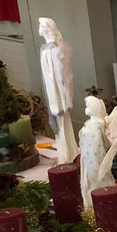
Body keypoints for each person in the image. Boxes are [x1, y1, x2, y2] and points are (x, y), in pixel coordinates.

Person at [39, 18, 77, 165]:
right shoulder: (49, 49)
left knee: (62, 124)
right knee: (61, 125)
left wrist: (62, 95)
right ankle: (66, 152)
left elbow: (59, 74)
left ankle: (67, 154)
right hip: (55, 93)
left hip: (57, 94)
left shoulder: (52, 50)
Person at [78, 96, 117, 206]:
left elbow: (102, 142)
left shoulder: (99, 125)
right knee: (88, 178)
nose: (86, 109)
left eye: (88, 106)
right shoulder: (89, 123)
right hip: (86, 156)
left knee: (99, 176)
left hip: (96, 156)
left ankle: (105, 201)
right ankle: (91, 203)